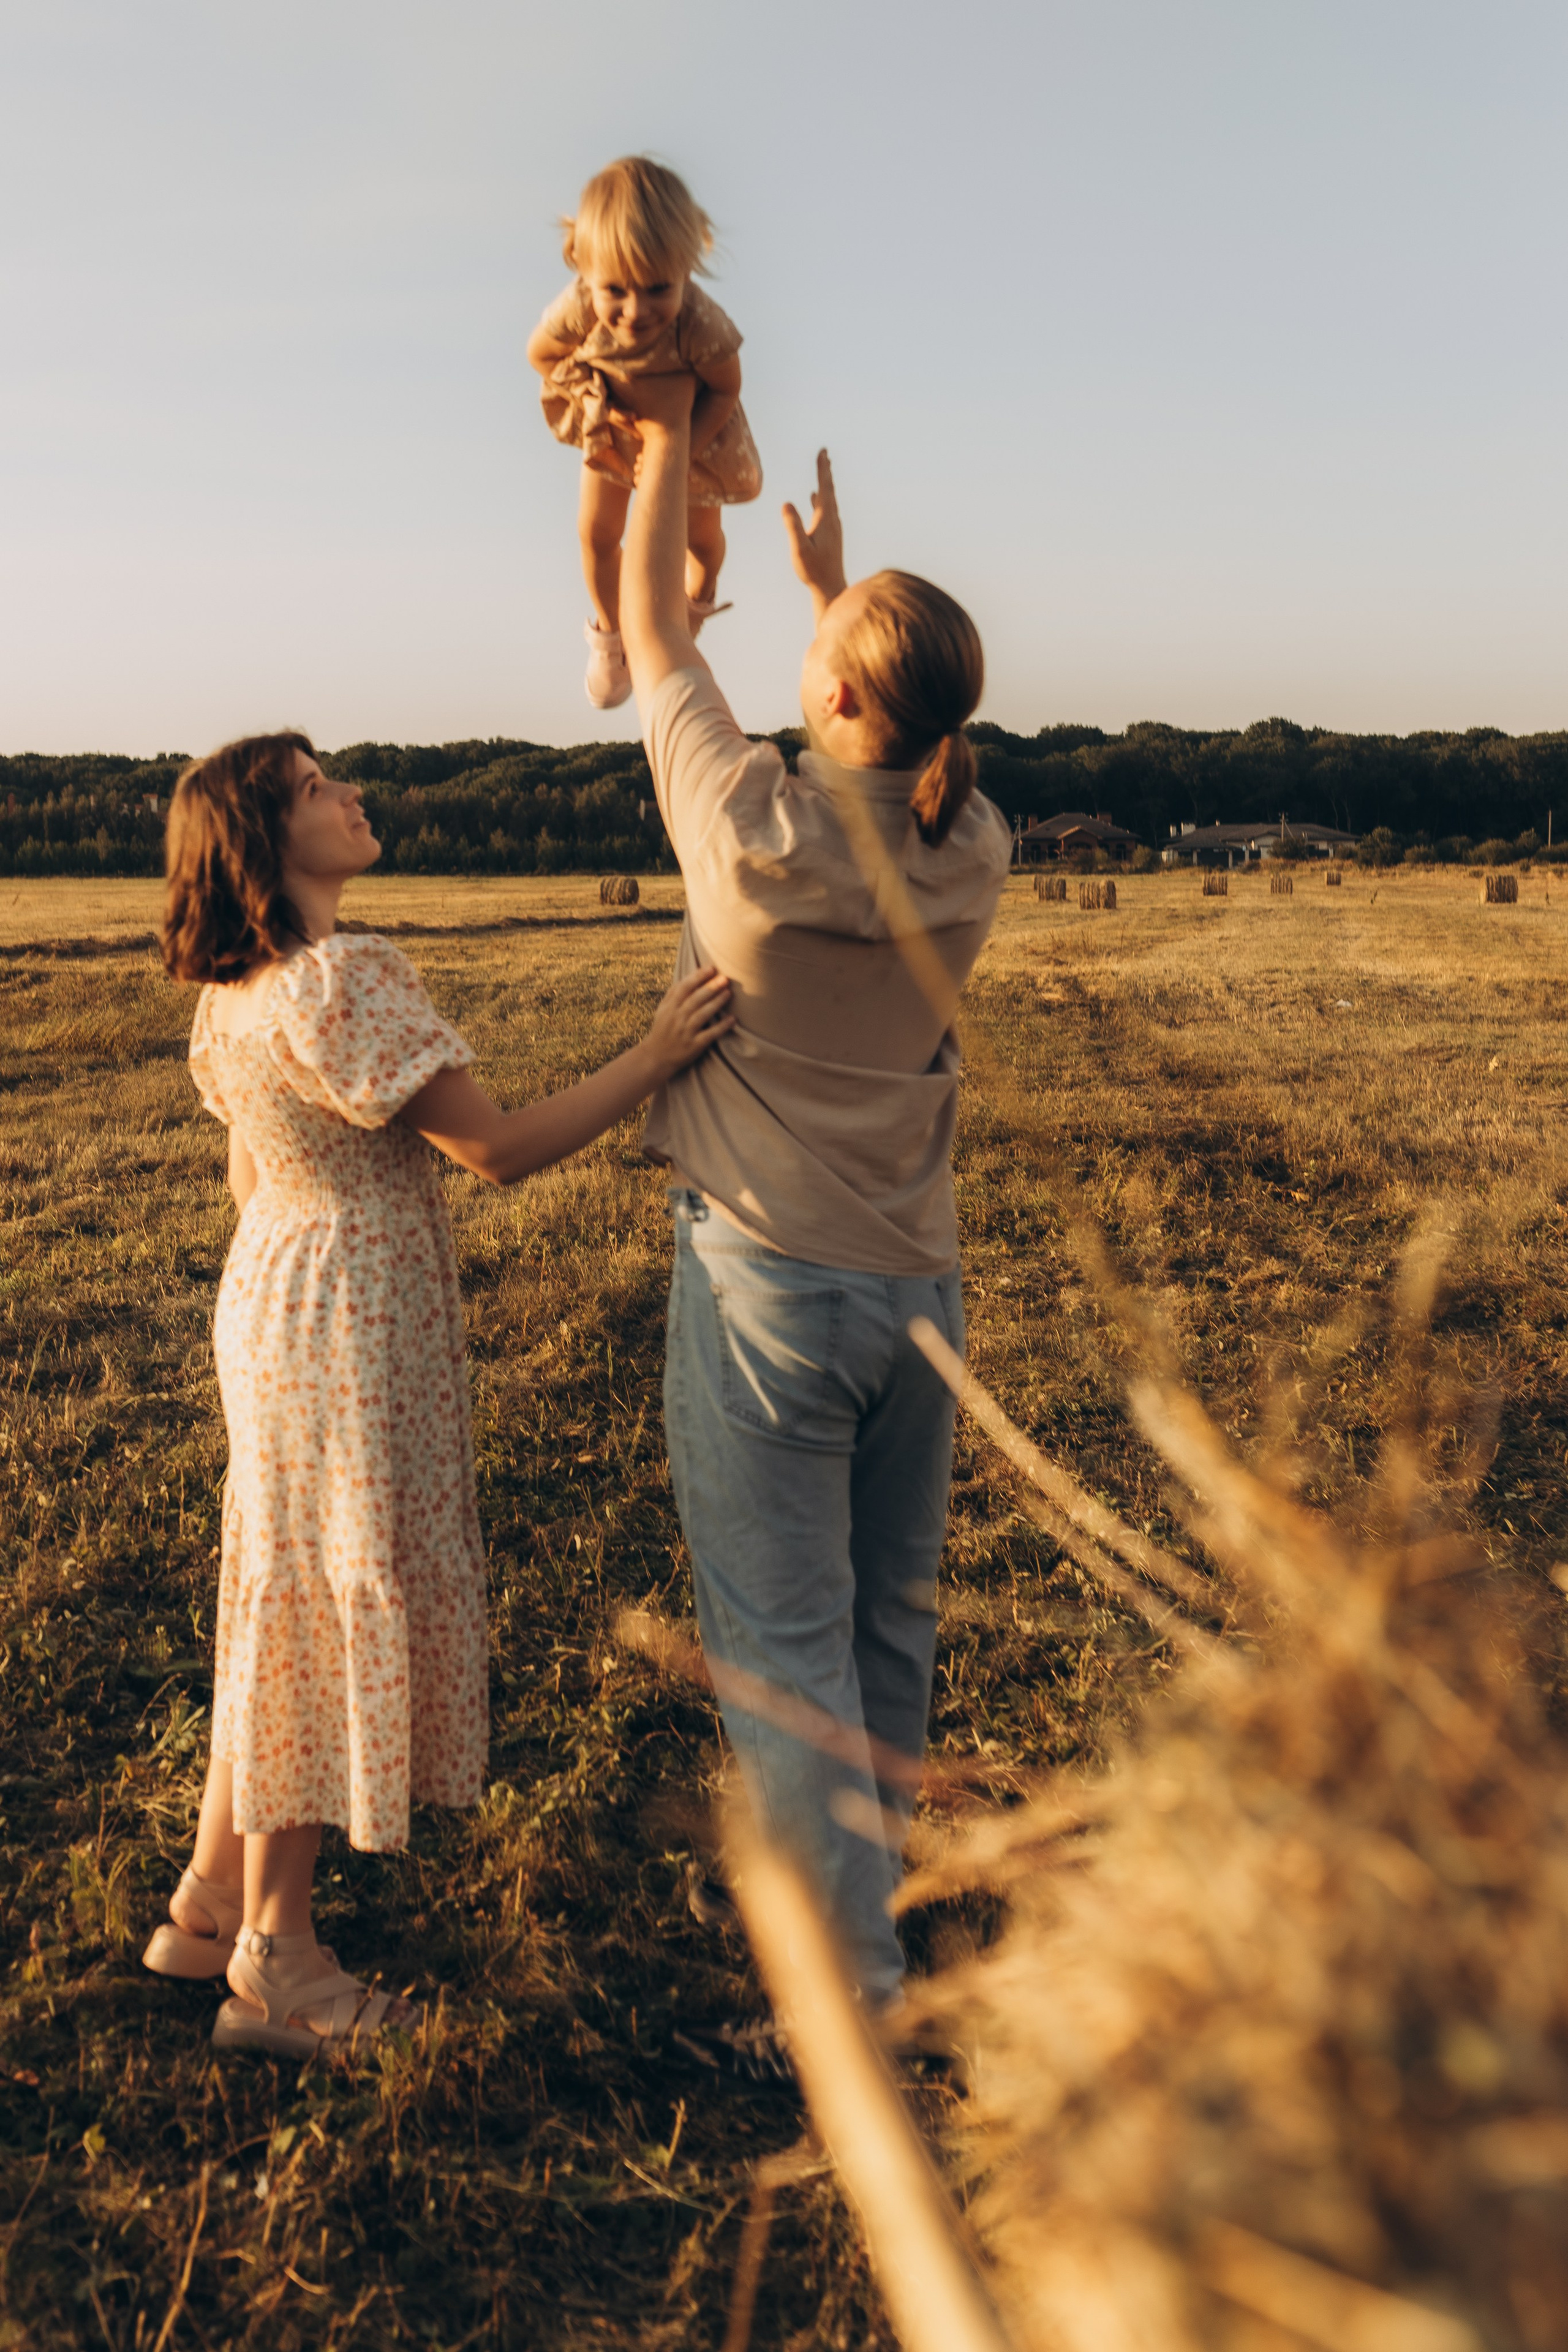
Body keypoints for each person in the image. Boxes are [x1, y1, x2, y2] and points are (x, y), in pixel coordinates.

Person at [145, 733, 731, 2056]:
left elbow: (251, 1180)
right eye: (312, 788)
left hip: (271, 1293)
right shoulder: (346, 974)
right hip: (351, 1310)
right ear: (263, 839)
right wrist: (654, 1055)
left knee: (279, 1583)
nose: (350, 795)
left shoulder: (238, 991)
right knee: (321, 1600)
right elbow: (497, 1149)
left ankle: (205, 1899)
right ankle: (278, 1964)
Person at [614, 372, 1012, 2047]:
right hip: (918, 1294)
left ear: (838, 688)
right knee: (886, 1626)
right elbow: (905, 740)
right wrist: (832, 593)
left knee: (784, 1653)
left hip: (771, 1293)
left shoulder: (753, 836)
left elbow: (647, 626)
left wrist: (653, 430)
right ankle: (878, 1941)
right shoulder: (972, 843)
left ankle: (843, 2004)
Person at [527, 156, 761, 712]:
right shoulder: (580, 307)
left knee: (700, 540)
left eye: (658, 288)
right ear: (582, 267)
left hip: (694, 440)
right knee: (597, 535)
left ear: (689, 266)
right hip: (613, 428)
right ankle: (611, 637)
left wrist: (682, 455)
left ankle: (696, 600)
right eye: (616, 290)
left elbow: (726, 389)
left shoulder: (700, 323)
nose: (635, 312)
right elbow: (541, 354)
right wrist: (595, 398)